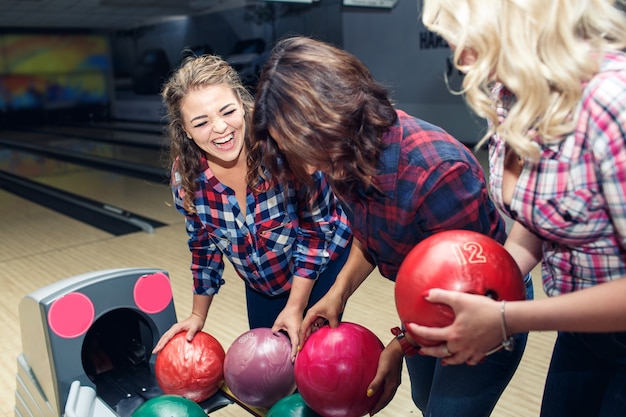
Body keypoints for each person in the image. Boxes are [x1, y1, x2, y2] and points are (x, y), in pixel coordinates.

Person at [250, 35, 533, 416]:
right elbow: (373, 235)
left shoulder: (438, 173)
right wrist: (339, 292)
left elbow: (477, 295)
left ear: (339, 111)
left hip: (488, 304)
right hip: (422, 301)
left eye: (312, 148)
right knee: (424, 401)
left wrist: (400, 347)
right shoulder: (342, 153)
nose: (312, 166)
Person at [410, 1, 626, 416]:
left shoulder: (609, 102)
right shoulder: (512, 94)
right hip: (581, 333)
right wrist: (483, 288)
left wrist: (508, 318)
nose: (460, 57)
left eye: (467, 36)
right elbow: (540, 215)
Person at [152, 53, 352, 360]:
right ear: (186, 131)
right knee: (272, 371)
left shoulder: (285, 151)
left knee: (314, 364)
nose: (219, 128)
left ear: (244, 106)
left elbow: (315, 233)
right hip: (264, 281)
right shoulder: (187, 177)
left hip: (323, 261)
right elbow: (204, 248)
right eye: (201, 122)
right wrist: (197, 315)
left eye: (227, 111)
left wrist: (296, 308)